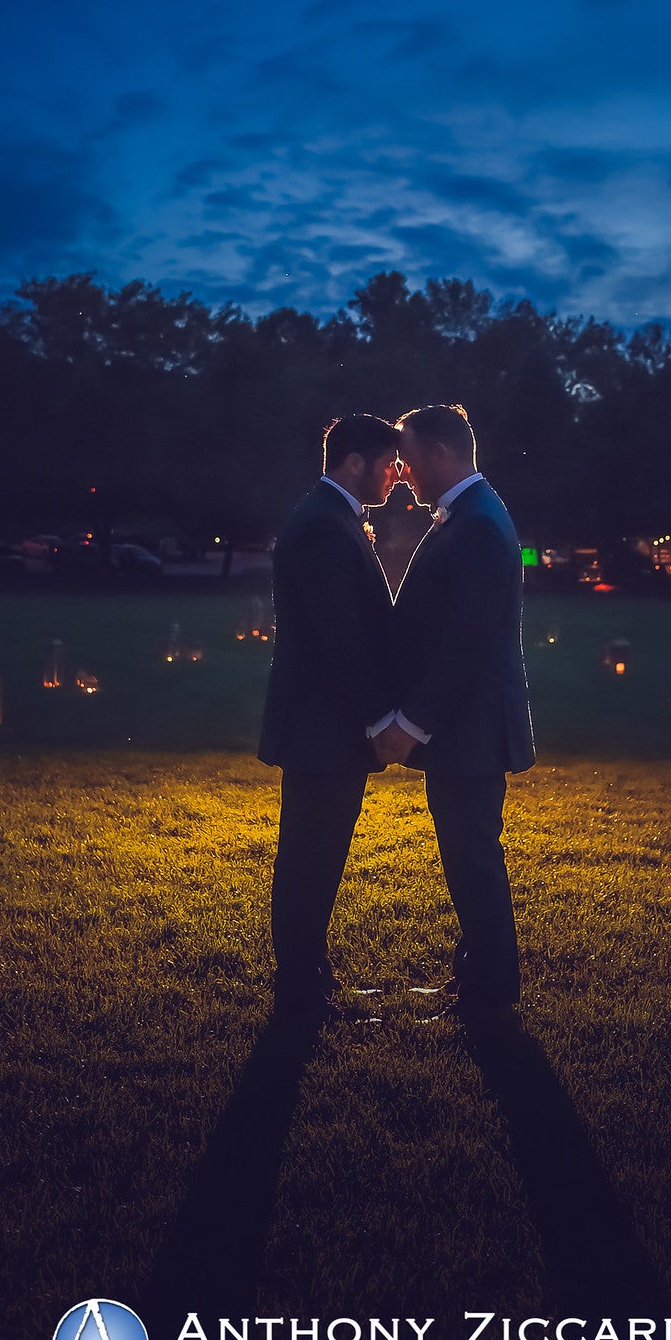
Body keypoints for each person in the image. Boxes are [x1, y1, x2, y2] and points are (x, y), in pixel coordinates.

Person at [371, 403, 535, 1025]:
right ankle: (478, 976)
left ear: (441, 453)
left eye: (409, 458)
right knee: (467, 851)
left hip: (470, 726)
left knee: (471, 855)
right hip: (467, 725)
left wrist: (411, 724)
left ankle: (490, 991)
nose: (404, 472)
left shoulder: (477, 525)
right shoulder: (468, 516)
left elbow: (467, 641)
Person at [258, 413, 402, 1019]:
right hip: (323, 724)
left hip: (324, 722)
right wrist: (378, 720)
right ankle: (302, 989)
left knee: (315, 854)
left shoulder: (332, 517)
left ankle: (310, 978)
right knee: (312, 856)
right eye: (389, 464)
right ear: (353, 463)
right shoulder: (323, 526)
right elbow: (338, 637)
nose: (396, 476)